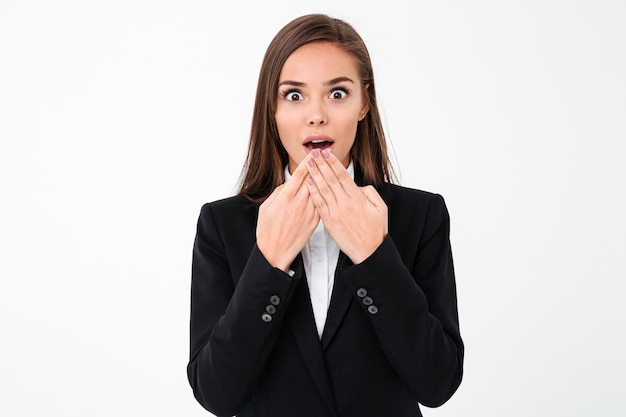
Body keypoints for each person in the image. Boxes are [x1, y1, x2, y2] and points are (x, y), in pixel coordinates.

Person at [187, 13, 463, 417]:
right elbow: (215, 393)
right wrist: (269, 264)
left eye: (337, 93)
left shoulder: (420, 216)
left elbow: (438, 382)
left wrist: (374, 257)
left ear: (364, 102)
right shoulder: (222, 225)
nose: (316, 114)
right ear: (272, 108)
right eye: (294, 95)